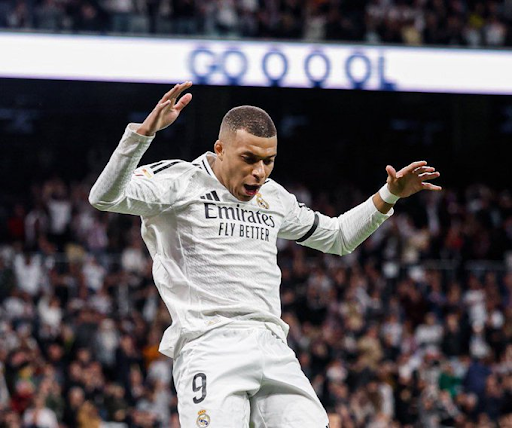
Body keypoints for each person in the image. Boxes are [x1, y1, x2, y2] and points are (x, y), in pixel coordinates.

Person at [89, 81, 441, 427]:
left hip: (273, 347)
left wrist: (389, 195)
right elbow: (104, 197)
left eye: (268, 161)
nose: (259, 172)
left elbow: (338, 238)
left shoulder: (273, 196)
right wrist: (143, 135)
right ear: (220, 149)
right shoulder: (180, 181)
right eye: (249, 159)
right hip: (210, 347)